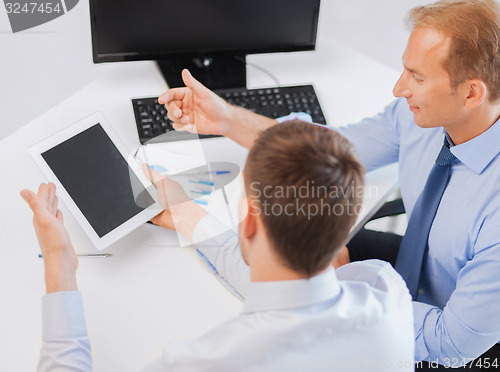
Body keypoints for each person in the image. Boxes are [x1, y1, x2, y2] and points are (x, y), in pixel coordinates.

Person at [157, 0, 500, 367]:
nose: (400, 88)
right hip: (412, 273)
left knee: (289, 278)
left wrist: (340, 299)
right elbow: (325, 147)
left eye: (417, 77)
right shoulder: (418, 117)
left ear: (471, 94)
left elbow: (450, 342)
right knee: (295, 255)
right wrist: (226, 119)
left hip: (456, 335)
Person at [22, 121, 414, 371]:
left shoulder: (207, 361)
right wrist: (187, 215)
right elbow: (289, 293)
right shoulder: (385, 290)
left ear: (250, 222)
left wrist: (59, 265)